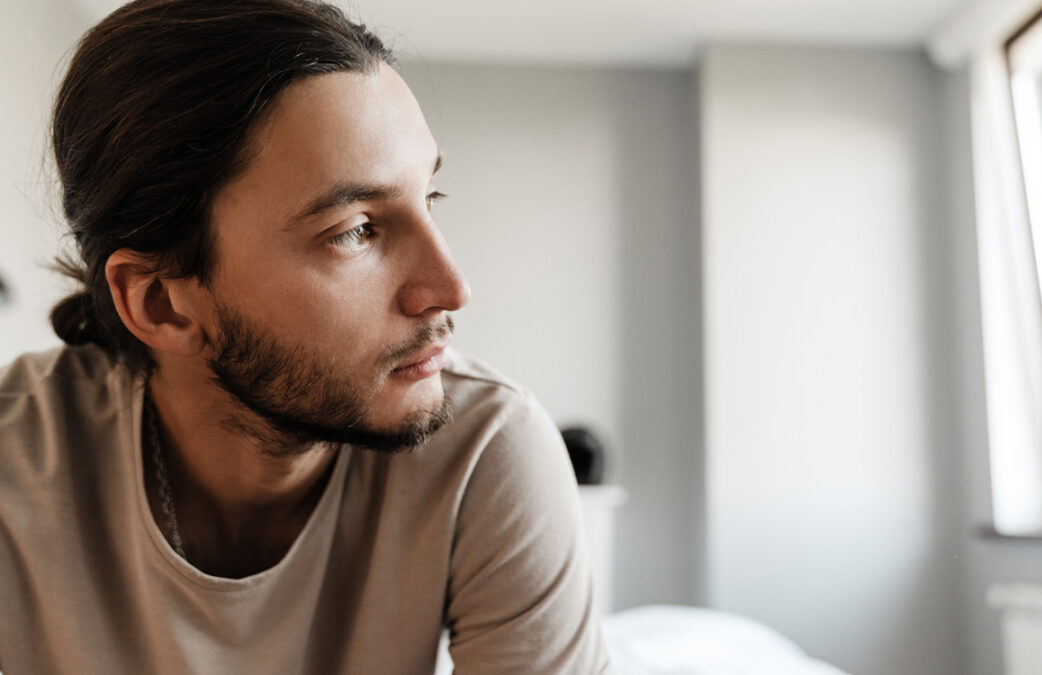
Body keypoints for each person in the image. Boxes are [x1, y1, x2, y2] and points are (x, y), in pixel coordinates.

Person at [0, 1, 612, 672]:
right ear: (162, 304)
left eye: (427, 199)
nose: (449, 287)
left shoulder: (485, 451)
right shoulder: (16, 464)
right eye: (355, 230)